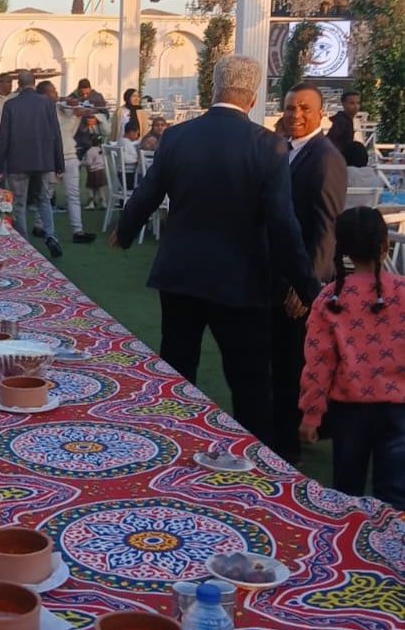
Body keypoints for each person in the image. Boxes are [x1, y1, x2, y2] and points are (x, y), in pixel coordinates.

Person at [111, 54, 318, 446]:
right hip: (241, 281)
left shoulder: (177, 137)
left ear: (214, 90)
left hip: (181, 274)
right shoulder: (268, 146)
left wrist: (124, 231)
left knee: (177, 372)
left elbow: (147, 193)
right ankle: (255, 462)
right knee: (249, 383)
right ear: (253, 98)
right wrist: (307, 286)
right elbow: (282, 223)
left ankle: (170, 446)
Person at [299, 207, 405, 508]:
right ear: (385, 244)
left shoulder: (329, 300)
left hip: (349, 411)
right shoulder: (402, 292)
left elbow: (318, 364)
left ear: (341, 247)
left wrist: (311, 415)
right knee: (396, 497)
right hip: (399, 409)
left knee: (347, 494)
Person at [271, 83, 348, 463]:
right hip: (280, 277)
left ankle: (288, 448)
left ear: (321, 114)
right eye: (290, 108)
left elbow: (327, 229)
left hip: (303, 284)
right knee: (282, 363)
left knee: (294, 367)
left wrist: (309, 287)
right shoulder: (287, 149)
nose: (296, 115)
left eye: (304, 108)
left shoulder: (325, 157)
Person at [0, 69, 64, 258]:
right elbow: (55, 134)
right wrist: (59, 163)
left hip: (18, 160)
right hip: (43, 159)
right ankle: (51, 235)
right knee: (44, 199)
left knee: (19, 202)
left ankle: (24, 244)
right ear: (34, 83)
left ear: (18, 85)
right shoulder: (47, 104)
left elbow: (3, 136)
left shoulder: (11, 105)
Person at [38, 81, 95, 243]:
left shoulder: (62, 108)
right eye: (52, 91)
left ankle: (78, 230)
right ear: (44, 95)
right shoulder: (43, 111)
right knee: (47, 194)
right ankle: (39, 225)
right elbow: (59, 130)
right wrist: (74, 113)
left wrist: (76, 113)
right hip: (52, 158)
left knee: (73, 194)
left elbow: (69, 131)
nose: (56, 94)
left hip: (69, 156)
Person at [75, 113, 106, 209]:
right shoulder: (101, 150)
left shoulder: (89, 151)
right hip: (101, 171)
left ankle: (91, 203)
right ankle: (103, 202)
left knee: (91, 188)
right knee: (100, 188)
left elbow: (88, 163)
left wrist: (81, 163)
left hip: (92, 172)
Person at [326, 90, 360, 157]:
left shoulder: (347, 119)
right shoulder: (341, 120)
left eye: (358, 103)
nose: (356, 106)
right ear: (344, 104)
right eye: (352, 103)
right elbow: (331, 140)